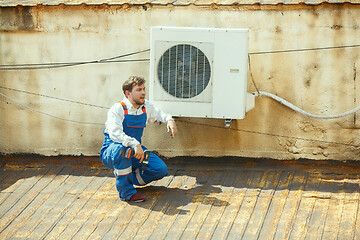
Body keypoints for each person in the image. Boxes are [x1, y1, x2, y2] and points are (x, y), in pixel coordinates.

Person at [100, 76, 177, 202]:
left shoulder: (145, 107)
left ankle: (128, 177)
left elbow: (159, 114)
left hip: (135, 150)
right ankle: (127, 193)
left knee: (160, 169)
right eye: (139, 90)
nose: (143, 93)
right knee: (123, 151)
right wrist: (134, 144)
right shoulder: (118, 109)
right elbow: (115, 133)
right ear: (128, 93)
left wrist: (170, 120)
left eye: (144, 89)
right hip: (112, 150)